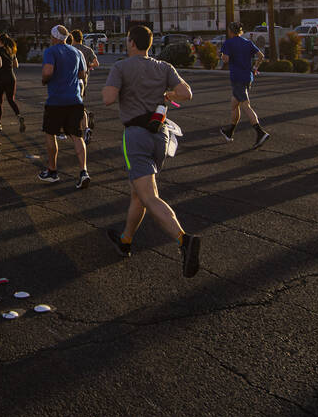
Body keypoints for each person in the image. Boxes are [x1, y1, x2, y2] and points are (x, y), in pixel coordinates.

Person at [102, 25, 200, 277]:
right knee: (139, 193)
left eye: (127, 40)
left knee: (148, 195)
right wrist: (167, 93)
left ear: (132, 43)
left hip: (136, 135)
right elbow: (186, 93)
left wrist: (117, 88)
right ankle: (125, 240)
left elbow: (108, 99)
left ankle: (183, 240)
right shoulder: (164, 67)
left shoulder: (121, 67)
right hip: (160, 136)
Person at [40, 24, 89, 188]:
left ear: (54, 37)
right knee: (77, 135)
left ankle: (52, 170)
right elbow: (82, 74)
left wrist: (45, 80)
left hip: (56, 100)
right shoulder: (77, 52)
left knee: (50, 133)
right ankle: (83, 171)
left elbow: (48, 72)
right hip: (75, 99)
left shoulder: (50, 51)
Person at [218, 22, 270, 148]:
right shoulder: (247, 42)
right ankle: (230, 131)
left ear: (230, 31)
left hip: (237, 78)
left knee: (245, 105)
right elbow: (261, 56)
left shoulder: (228, 43)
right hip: (248, 77)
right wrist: (255, 67)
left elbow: (225, 59)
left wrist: (221, 55)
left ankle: (260, 132)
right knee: (234, 104)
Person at [0, 33, 24, 133]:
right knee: (11, 99)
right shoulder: (11, 51)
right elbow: (16, 65)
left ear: (0, 41)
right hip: (11, 77)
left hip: (1, 78)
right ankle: (19, 116)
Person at [70, 29, 100, 142]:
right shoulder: (87, 50)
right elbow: (96, 63)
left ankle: (83, 125)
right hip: (84, 80)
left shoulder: (71, 49)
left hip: (72, 81)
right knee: (79, 102)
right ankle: (86, 116)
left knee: (76, 105)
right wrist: (88, 65)